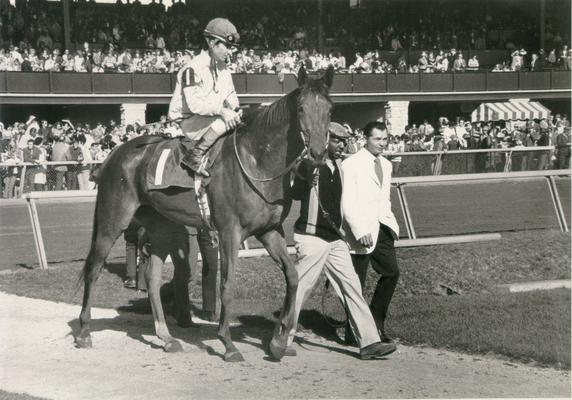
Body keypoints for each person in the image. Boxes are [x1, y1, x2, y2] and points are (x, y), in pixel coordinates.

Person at [287, 122, 396, 360]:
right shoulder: (308, 165)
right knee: (300, 289)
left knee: (353, 288)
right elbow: (293, 194)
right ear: (324, 140)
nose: (342, 145)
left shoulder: (340, 166)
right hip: (312, 237)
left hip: (336, 239)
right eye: (337, 141)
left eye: (345, 141)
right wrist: (304, 178)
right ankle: (282, 337)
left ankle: (369, 342)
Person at [341, 121, 400, 344]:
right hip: (360, 232)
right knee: (357, 285)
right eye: (377, 139)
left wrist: (391, 224)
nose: (382, 143)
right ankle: (352, 332)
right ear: (365, 138)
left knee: (392, 273)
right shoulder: (352, 164)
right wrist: (358, 229)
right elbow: (346, 201)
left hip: (382, 228)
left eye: (385, 139)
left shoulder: (386, 164)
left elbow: (383, 199)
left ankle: (376, 324)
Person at [168, 18, 241, 178]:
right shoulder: (192, 68)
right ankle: (195, 155)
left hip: (211, 120)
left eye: (231, 47)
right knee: (224, 122)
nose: (229, 51)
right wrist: (222, 111)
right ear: (211, 42)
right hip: (191, 122)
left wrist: (234, 109)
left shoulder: (224, 69)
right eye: (226, 46)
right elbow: (195, 105)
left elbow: (231, 95)